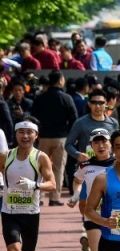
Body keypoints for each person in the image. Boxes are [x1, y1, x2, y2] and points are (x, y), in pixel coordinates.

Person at [1, 118, 57, 251]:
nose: (25, 136)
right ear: (16, 134)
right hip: (10, 212)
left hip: (31, 214)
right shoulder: (6, 156)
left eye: (29, 132)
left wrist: (35, 185)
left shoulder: (40, 157)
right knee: (13, 250)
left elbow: (52, 184)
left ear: (36, 135)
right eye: (21, 132)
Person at [69, 127, 116, 251]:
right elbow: (77, 180)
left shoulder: (119, 163)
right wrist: (76, 194)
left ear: (110, 143)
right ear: (91, 145)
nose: (101, 145)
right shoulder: (85, 165)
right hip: (93, 216)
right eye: (96, 142)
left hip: (116, 217)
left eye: (104, 141)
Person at [31, 70, 78, 205]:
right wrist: (70, 134)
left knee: (40, 167)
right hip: (61, 137)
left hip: (43, 137)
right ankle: (54, 198)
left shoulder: (40, 98)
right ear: (60, 80)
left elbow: (33, 117)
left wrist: (37, 133)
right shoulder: (66, 98)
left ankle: (38, 197)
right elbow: (74, 118)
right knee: (58, 168)